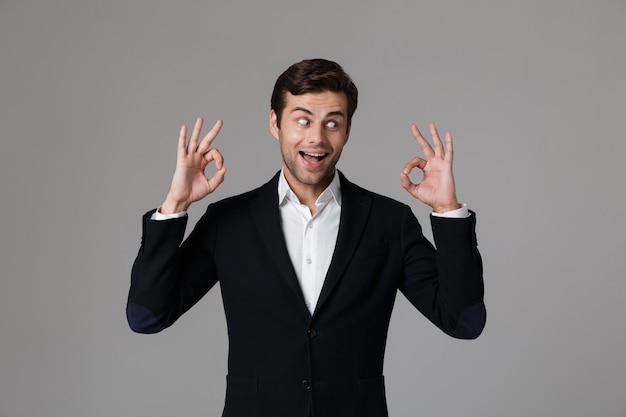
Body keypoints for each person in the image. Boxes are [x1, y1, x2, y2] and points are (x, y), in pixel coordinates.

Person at [127, 58, 485, 417]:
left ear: (347, 131)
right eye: (303, 120)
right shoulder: (228, 222)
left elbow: (464, 321)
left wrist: (448, 209)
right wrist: (174, 205)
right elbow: (147, 316)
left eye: (333, 123)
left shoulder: (389, 222)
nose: (317, 137)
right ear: (275, 123)